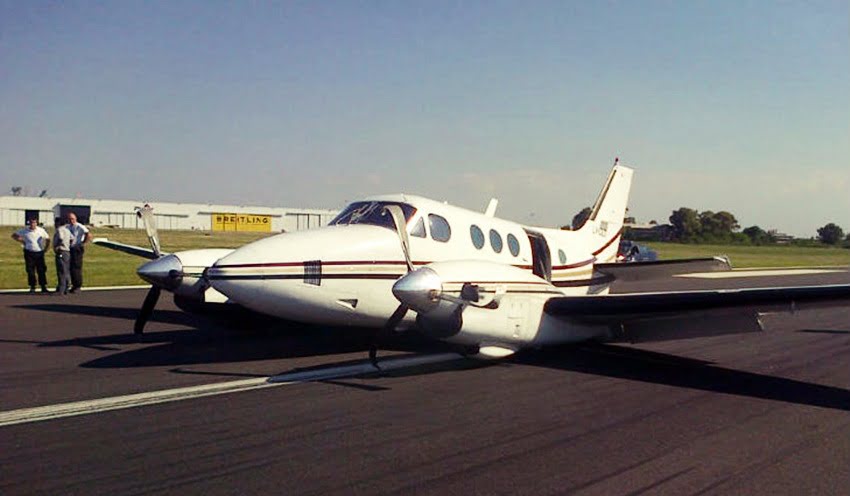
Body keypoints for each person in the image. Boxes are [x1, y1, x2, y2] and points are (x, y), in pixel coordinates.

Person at [11, 218, 50, 293]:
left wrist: (46, 248)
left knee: (41, 270)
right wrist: (22, 241)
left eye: (34, 223)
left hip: (39, 252)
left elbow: (48, 239)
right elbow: (14, 235)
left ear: (36, 223)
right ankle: (32, 286)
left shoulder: (41, 230)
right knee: (30, 270)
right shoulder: (25, 230)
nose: (33, 224)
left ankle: (43, 286)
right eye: (31, 223)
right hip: (29, 252)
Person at [67, 212, 92, 293]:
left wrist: (83, 243)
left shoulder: (79, 226)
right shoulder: (68, 227)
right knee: (70, 267)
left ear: (75, 219)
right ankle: (73, 285)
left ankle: (78, 286)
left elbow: (88, 234)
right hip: (70, 248)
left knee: (77, 267)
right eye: (70, 219)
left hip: (77, 248)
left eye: (72, 219)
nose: (71, 220)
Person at [53, 217, 72, 295]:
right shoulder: (67, 230)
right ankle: (67, 287)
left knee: (61, 270)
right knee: (66, 269)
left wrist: (58, 245)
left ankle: (61, 289)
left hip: (61, 251)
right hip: (67, 251)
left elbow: (60, 237)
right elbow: (72, 239)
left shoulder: (60, 230)